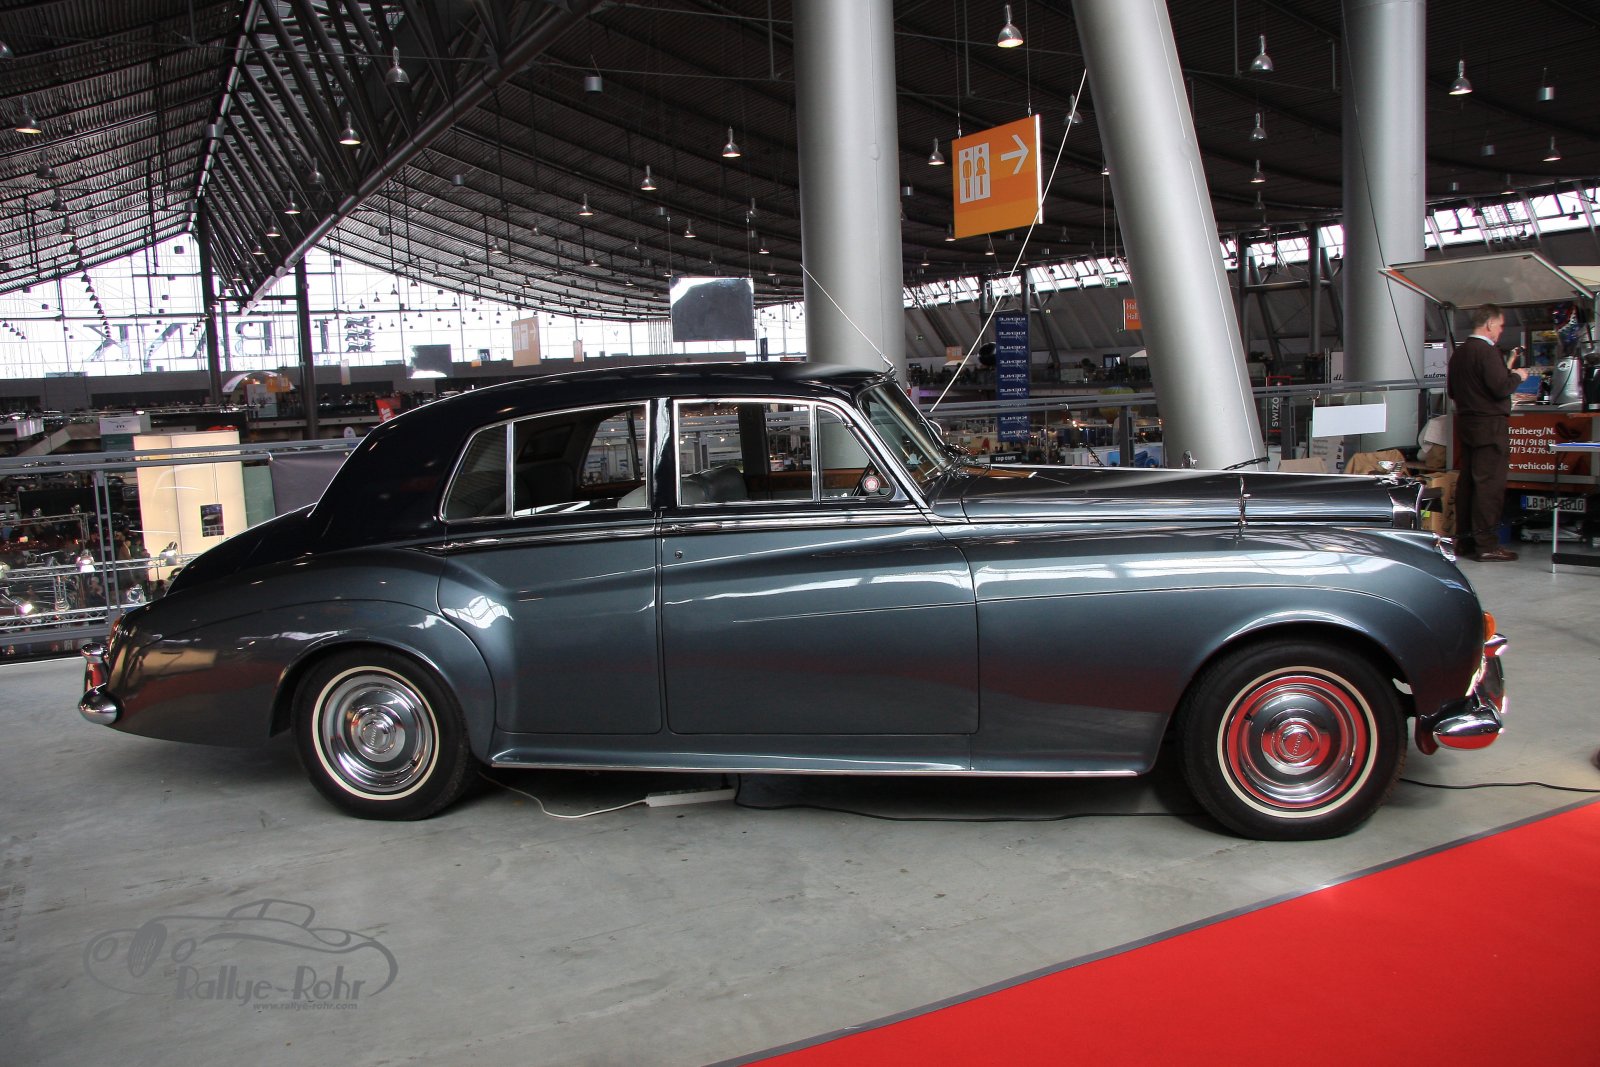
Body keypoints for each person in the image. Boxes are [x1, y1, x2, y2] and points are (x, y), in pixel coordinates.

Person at [1447, 303, 1530, 562]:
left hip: (1467, 423)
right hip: (1490, 426)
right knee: (1489, 487)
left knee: (1468, 484)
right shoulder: (1487, 351)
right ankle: (1486, 545)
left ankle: (1465, 541)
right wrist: (1517, 376)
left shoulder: (1459, 353)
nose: (1501, 330)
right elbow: (1500, 387)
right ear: (1490, 323)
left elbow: (1452, 391)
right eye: (1501, 325)